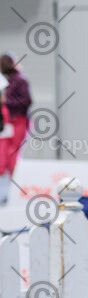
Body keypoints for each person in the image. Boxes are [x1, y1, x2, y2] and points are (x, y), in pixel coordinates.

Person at [0, 54, 31, 205]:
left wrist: (7, 102)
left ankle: (14, 191)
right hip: (6, 122)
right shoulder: (5, 80)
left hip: (18, 120)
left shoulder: (20, 80)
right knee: (4, 157)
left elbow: (27, 101)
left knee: (14, 156)